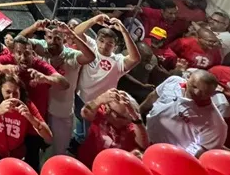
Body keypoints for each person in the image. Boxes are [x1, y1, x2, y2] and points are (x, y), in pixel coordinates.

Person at [22, 20, 96, 155]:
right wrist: (34, 27)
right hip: (39, 108)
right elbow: (19, 41)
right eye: (50, 37)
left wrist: (72, 34)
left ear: (64, 39)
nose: (53, 41)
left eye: (57, 38)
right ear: (45, 38)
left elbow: (90, 57)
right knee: (34, 148)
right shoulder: (41, 47)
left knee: (58, 152)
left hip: (61, 111)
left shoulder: (71, 54)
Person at [71, 14, 140, 150]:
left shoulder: (118, 61)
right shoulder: (91, 47)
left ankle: (85, 152)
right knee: (80, 125)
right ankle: (77, 143)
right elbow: (76, 32)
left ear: (115, 46)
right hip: (81, 97)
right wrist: (94, 19)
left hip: (102, 107)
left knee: (93, 134)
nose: (104, 45)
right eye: (102, 41)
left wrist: (124, 31)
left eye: (110, 43)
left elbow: (135, 58)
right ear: (96, 40)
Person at [0, 74, 52, 175]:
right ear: (0, 90)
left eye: (16, 93)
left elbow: (49, 137)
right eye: (8, 92)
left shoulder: (26, 104)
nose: (12, 97)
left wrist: (31, 118)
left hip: (15, 154)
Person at [141, 70, 227, 156]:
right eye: (194, 86)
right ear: (188, 78)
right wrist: (140, 111)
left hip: (166, 154)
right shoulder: (173, 81)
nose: (197, 93)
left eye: (205, 92)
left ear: (212, 93)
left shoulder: (216, 123)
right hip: (143, 134)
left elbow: (204, 153)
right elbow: (154, 96)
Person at [78, 88, 147, 167]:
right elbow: (85, 113)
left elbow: (144, 145)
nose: (107, 112)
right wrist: (99, 100)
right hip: (86, 161)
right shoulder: (102, 113)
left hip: (109, 168)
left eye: (117, 114)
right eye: (107, 107)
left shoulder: (133, 127)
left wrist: (136, 118)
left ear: (129, 119)